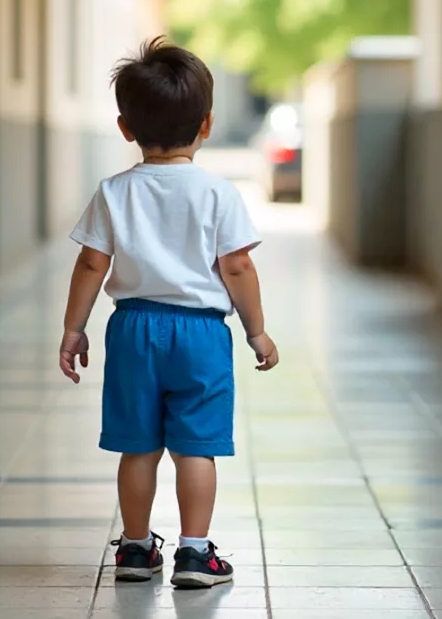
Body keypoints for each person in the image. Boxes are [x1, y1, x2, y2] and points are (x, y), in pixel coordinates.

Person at [58, 37, 279, 589]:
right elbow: (237, 270)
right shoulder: (218, 194)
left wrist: (73, 329)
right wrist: (257, 331)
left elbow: (90, 265)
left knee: (138, 446)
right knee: (195, 448)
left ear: (125, 127)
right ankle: (195, 555)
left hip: (133, 329)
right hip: (201, 334)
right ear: (206, 124)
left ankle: (134, 550)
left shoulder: (113, 192)